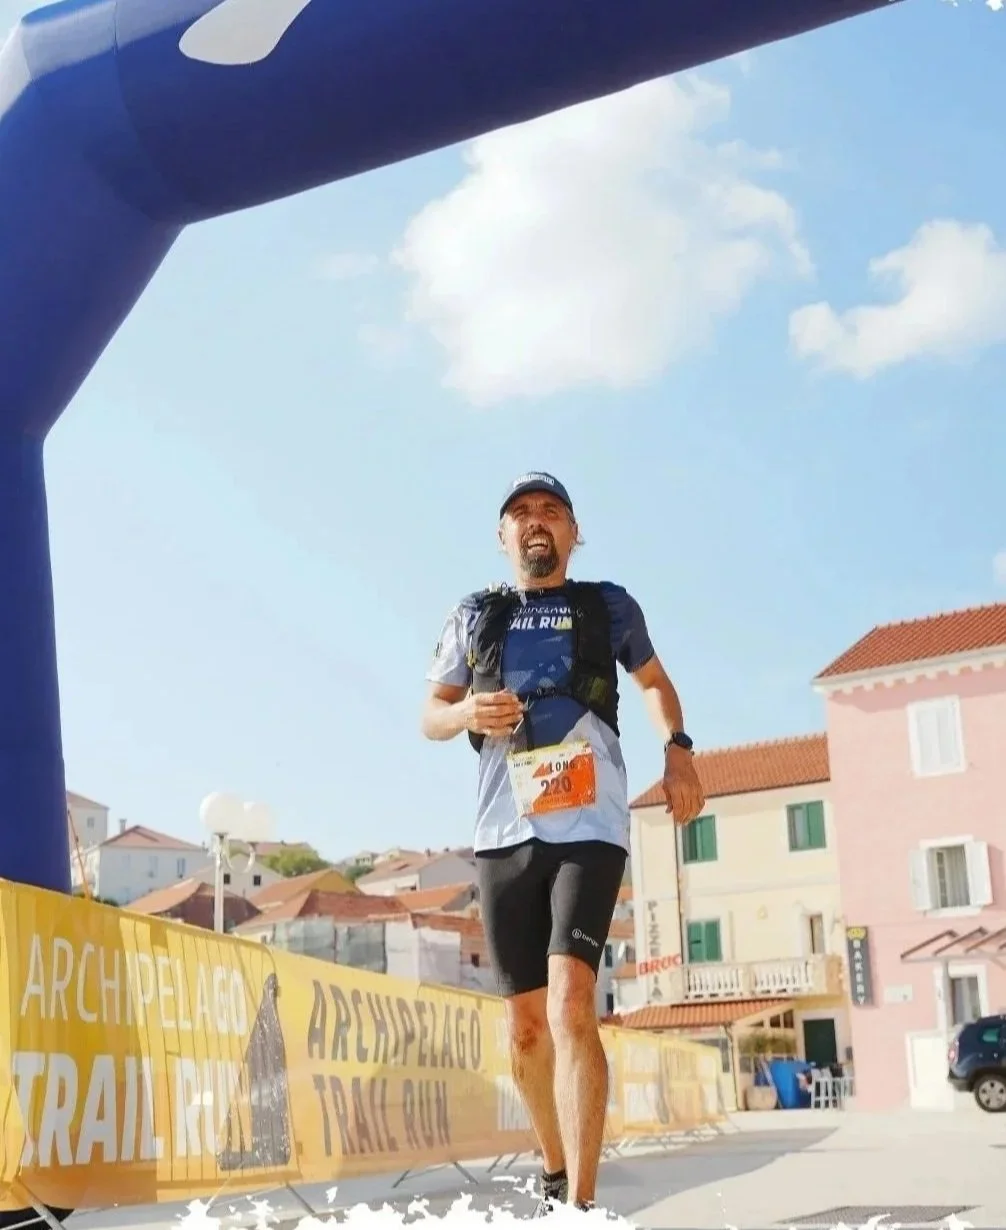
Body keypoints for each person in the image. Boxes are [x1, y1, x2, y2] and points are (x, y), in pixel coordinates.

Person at [420, 472, 705, 1215]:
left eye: (551, 511)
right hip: (501, 831)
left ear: (575, 532)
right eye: (520, 514)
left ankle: (580, 1207)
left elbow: (652, 680)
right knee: (523, 1029)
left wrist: (678, 748)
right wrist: (467, 715)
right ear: (503, 536)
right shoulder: (475, 613)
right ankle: (551, 1169)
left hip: (590, 823)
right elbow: (431, 713)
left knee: (574, 1003)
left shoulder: (606, 605)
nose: (535, 522)